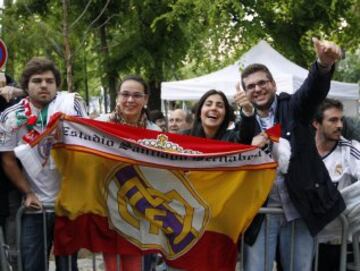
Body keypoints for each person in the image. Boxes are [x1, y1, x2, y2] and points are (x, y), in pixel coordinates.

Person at [239, 38, 344, 271]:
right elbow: (236, 151)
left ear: (273, 84)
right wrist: (248, 127)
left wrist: (323, 65)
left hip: (299, 211)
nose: (257, 89)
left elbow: (312, 91)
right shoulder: (245, 122)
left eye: (262, 83)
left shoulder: (294, 108)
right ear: (245, 92)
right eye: (251, 86)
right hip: (261, 215)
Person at [0, 57, 87, 271]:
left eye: (49, 81)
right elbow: (7, 158)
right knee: (32, 265)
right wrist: (27, 192)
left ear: (57, 84)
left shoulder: (72, 104)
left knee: (68, 266)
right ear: (26, 85)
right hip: (35, 206)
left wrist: (67, 140)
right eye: (37, 81)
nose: (44, 85)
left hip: (69, 203)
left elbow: (88, 146)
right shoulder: (11, 116)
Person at [97, 75, 161, 271]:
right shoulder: (100, 124)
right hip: (108, 209)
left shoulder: (155, 132)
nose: (130, 100)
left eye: (136, 95)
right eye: (125, 94)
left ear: (146, 100)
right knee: (113, 266)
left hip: (140, 211)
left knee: (136, 266)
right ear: (117, 97)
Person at [313, 98, 360, 271]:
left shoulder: (350, 148)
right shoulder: (303, 151)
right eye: (333, 120)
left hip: (337, 241)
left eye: (341, 119)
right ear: (316, 123)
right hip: (304, 236)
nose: (339, 125)